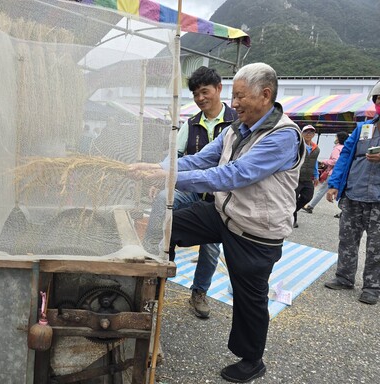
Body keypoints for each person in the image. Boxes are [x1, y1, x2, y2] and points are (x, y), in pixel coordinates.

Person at [130, 62, 304, 383]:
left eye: (240, 97)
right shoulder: (235, 129)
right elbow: (198, 159)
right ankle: (152, 280)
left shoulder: (283, 136)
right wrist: (156, 166)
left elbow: (232, 175)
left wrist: (169, 178)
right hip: (223, 214)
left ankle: (252, 360)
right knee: (168, 223)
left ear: (265, 95)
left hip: (256, 232)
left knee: (249, 295)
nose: (234, 104)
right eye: (233, 96)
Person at [142, 66, 237, 319]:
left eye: (204, 92)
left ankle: (199, 293)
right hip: (192, 190)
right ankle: (153, 255)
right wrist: (160, 176)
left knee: (210, 247)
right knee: (164, 200)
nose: (200, 98)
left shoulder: (236, 122)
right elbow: (176, 155)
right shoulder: (191, 123)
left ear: (218, 89)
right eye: (195, 94)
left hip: (218, 196)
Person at [324, 85, 380, 305]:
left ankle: (372, 287)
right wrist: (334, 184)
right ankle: (344, 277)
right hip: (354, 194)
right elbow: (346, 155)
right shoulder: (363, 129)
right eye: (378, 99)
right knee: (347, 240)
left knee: (377, 247)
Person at [302, 131, 349, 213]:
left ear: (339, 139)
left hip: (333, 173)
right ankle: (344, 211)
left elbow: (336, 161)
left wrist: (324, 161)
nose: (335, 139)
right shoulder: (347, 148)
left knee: (322, 190)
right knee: (341, 191)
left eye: (336, 137)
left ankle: (310, 206)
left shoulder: (337, 148)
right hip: (344, 173)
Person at [293, 125, 320, 227]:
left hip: (308, 177)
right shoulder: (297, 145)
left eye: (311, 132)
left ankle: (291, 211)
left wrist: (316, 175)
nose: (308, 134)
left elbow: (315, 162)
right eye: (306, 132)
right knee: (293, 198)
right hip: (296, 176)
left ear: (314, 134)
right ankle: (293, 219)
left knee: (307, 197)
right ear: (302, 133)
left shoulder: (316, 149)